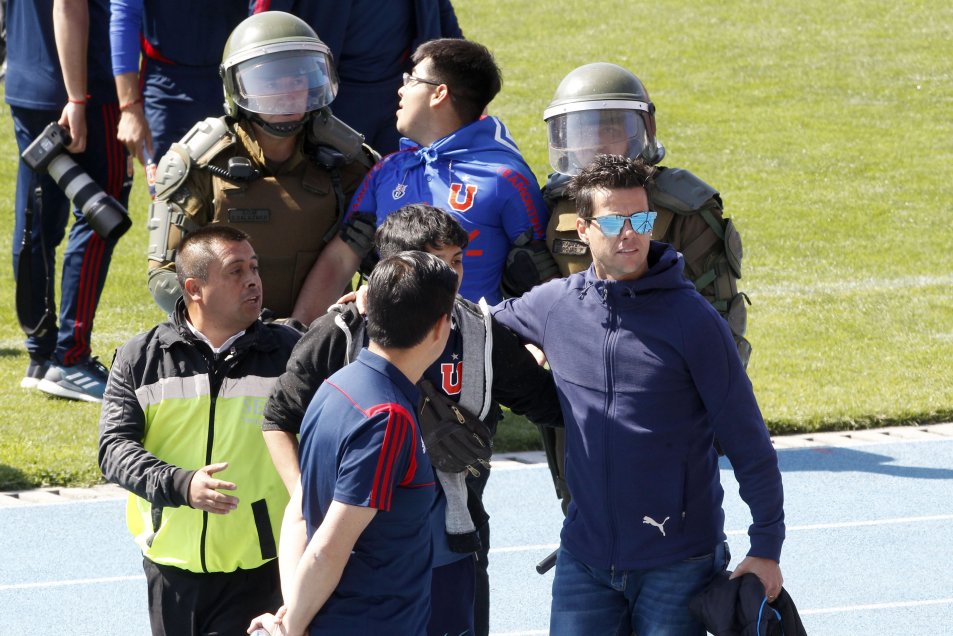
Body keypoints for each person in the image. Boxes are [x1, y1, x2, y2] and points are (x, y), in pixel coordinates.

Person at [492, 155, 785, 636]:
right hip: (584, 558)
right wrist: (379, 296)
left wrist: (766, 546)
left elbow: (748, 439)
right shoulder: (555, 305)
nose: (630, 234)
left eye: (641, 220)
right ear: (583, 229)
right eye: (613, 222)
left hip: (679, 563)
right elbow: (479, 325)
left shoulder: (695, 322)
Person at [261, 204, 563, 635]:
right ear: (393, 268)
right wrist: (319, 509)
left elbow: (548, 403)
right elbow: (278, 419)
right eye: (436, 263)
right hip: (368, 564)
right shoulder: (344, 340)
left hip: (453, 549)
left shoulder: (478, 331)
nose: (451, 277)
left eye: (457, 261)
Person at [540, 62, 751, 512]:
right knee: (580, 510)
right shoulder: (554, 204)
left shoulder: (684, 207)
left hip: (660, 391)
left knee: (672, 519)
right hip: (580, 390)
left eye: (610, 128)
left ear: (642, 130)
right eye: (583, 130)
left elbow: (720, 317)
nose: (597, 142)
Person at [98, 225, 300, 636]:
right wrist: (181, 485)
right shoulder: (140, 358)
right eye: (236, 271)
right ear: (193, 288)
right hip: (170, 571)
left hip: (261, 570)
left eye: (255, 268)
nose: (253, 280)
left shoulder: (291, 353)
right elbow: (114, 449)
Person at [250, 251, 458, 636]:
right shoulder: (388, 418)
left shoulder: (336, 386)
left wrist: (291, 615)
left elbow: (299, 514)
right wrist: (290, 628)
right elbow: (329, 547)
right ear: (440, 328)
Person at [294, 37, 552, 319]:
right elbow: (341, 258)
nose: (401, 89)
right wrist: (298, 332)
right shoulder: (387, 170)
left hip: (472, 341)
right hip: (386, 340)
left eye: (412, 79)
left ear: (439, 93)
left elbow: (545, 279)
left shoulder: (506, 178)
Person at [145, 11, 376, 323]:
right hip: (227, 337)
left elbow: (390, 260)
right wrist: (240, 329)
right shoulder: (196, 164)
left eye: (297, 79)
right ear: (237, 87)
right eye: (270, 81)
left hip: (324, 335)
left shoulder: (349, 161)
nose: (287, 93)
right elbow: (164, 276)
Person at [6, 0, 131, 401]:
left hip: (29, 79)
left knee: (36, 221)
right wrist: (77, 98)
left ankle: (41, 355)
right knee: (101, 215)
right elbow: (68, 4)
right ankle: (70, 359)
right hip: (80, 89)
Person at [250, 0, 463, 155]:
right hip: (332, 97)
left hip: (405, 94)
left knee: (404, 186)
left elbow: (439, 8)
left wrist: (463, 75)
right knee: (332, 185)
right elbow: (264, 21)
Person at [109, 0, 247, 191]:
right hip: (166, 82)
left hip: (233, 75)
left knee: (239, 193)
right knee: (168, 194)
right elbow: (125, 13)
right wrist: (129, 108)